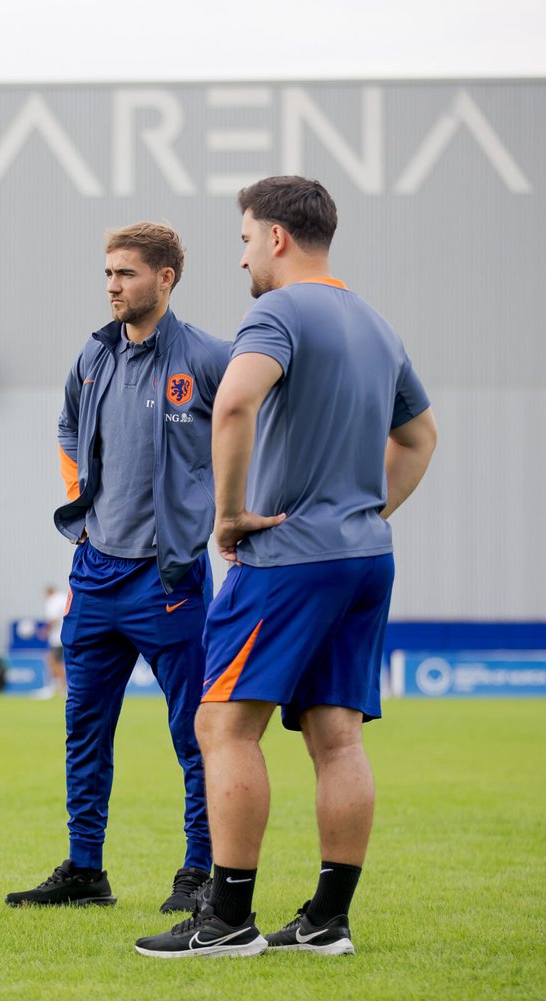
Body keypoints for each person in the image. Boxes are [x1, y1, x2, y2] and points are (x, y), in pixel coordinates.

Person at [135, 177, 438, 959]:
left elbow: (235, 402)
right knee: (338, 737)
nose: (242, 259)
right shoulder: (377, 322)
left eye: (244, 240)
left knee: (223, 724)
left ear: (276, 237)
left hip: (286, 557)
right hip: (363, 557)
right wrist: (363, 513)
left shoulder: (276, 312)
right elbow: (420, 438)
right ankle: (326, 920)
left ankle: (228, 919)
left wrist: (230, 514)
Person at [7, 222, 231, 914]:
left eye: (126, 273)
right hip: (95, 576)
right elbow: (67, 427)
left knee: (195, 732)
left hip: (168, 579)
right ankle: (85, 870)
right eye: (108, 272)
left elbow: (251, 430)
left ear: (166, 278)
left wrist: (223, 510)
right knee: (84, 728)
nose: (112, 285)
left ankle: (198, 872)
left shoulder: (208, 357)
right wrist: (80, 504)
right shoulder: (93, 354)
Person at [35, 584, 68, 700]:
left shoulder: (53, 601)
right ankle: (56, 686)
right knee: (56, 660)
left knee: (54, 661)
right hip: (68, 635)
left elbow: (53, 619)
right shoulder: (65, 597)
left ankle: (62, 687)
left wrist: (45, 631)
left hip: (57, 637)